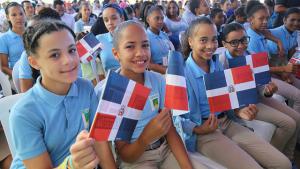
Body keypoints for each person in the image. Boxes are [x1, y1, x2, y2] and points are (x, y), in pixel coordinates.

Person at [181, 16, 291, 169]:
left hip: (227, 122)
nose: (210, 45)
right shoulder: (181, 75)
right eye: (203, 40)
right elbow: (176, 119)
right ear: (190, 41)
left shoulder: (216, 65)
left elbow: (227, 99)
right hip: (204, 134)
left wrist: (240, 111)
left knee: (283, 163)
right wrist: (198, 129)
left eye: (213, 40)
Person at [9, 19, 116, 169]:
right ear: (34, 62)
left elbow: (99, 141)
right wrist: (72, 165)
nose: (69, 60)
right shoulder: (24, 113)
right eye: (55, 55)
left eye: (72, 50)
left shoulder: (85, 87)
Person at [97, 20, 196, 169]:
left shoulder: (158, 81)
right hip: (137, 160)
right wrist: (146, 137)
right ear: (116, 54)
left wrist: (187, 166)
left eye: (145, 45)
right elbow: (126, 155)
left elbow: (170, 130)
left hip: (165, 150)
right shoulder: (110, 91)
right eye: (130, 46)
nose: (141, 53)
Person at [220, 23, 300, 166]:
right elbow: (223, 97)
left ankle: (288, 157)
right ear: (224, 44)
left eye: (244, 40)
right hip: (242, 105)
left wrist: (268, 91)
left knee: (296, 118)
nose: (241, 46)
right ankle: (272, 162)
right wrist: (238, 109)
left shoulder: (249, 55)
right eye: (234, 42)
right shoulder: (220, 64)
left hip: (256, 98)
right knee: (288, 124)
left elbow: (261, 85)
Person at [246, 1, 300, 114]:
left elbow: (267, 34)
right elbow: (257, 70)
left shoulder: (260, 33)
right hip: (261, 80)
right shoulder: (252, 40)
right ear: (251, 19)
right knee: (298, 96)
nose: (265, 22)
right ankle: (295, 120)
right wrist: (283, 70)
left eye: (267, 18)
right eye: (261, 18)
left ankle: (292, 113)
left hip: (270, 71)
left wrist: (278, 41)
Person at [146, 6, 174, 74]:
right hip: (157, 73)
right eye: (157, 18)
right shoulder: (145, 38)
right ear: (148, 19)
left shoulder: (164, 35)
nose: (161, 21)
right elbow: (149, 65)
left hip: (170, 67)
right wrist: (169, 71)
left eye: (162, 18)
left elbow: (171, 52)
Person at [0, 2, 26, 78]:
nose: (19, 17)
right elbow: (4, 67)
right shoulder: (4, 38)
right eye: (14, 15)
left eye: (21, 14)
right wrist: (20, 77)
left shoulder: (33, 33)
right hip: (17, 77)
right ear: (8, 17)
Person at [96, 3, 124, 72]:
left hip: (133, 81)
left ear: (122, 18)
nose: (110, 23)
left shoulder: (132, 38)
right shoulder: (99, 39)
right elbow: (81, 59)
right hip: (109, 81)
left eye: (114, 18)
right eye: (106, 20)